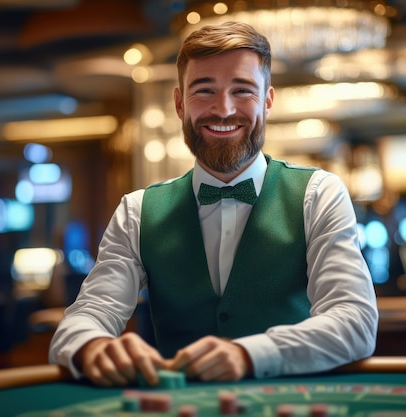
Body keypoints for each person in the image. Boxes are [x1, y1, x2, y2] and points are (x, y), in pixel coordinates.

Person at [49, 21, 378, 387]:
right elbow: (88, 315)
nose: (223, 110)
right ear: (179, 103)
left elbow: (355, 322)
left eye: (242, 91)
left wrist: (249, 354)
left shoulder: (319, 194)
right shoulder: (137, 211)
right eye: (204, 91)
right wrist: (91, 346)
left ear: (268, 101)